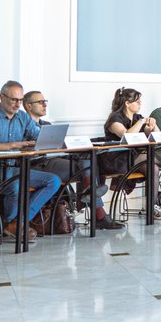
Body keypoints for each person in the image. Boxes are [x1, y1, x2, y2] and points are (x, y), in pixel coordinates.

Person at [0, 80, 62, 241]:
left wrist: (46, 140)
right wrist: (12, 145)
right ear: (1, 97)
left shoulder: (22, 117)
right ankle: (12, 223)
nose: (17, 104)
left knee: (53, 181)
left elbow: (37, 135)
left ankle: (17, 222)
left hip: (12, 168)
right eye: (14, 99)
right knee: (15, 184)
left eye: (20, 100)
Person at [29, 89, 121, 231]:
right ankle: (98, 212)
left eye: (45, 102)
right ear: (29, 106)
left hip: (55, 161)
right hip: (38, 165)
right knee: (85, 166)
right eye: (40, 102)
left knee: (88, 160)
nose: (44, 105)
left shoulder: (46, 124)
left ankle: (89, 196)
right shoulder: (23, 125)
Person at [102, 87, 161, 220]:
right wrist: (141, 123)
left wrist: (153, 127)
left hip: (131, 157)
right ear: (127, 103)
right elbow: (126, 136)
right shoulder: (114, 118)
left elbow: (158, 137)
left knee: (153, 167)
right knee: (147, 158)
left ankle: (152, 207)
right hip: (115, 159)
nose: (140, 104)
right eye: (137, 101)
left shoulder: (137, 118)